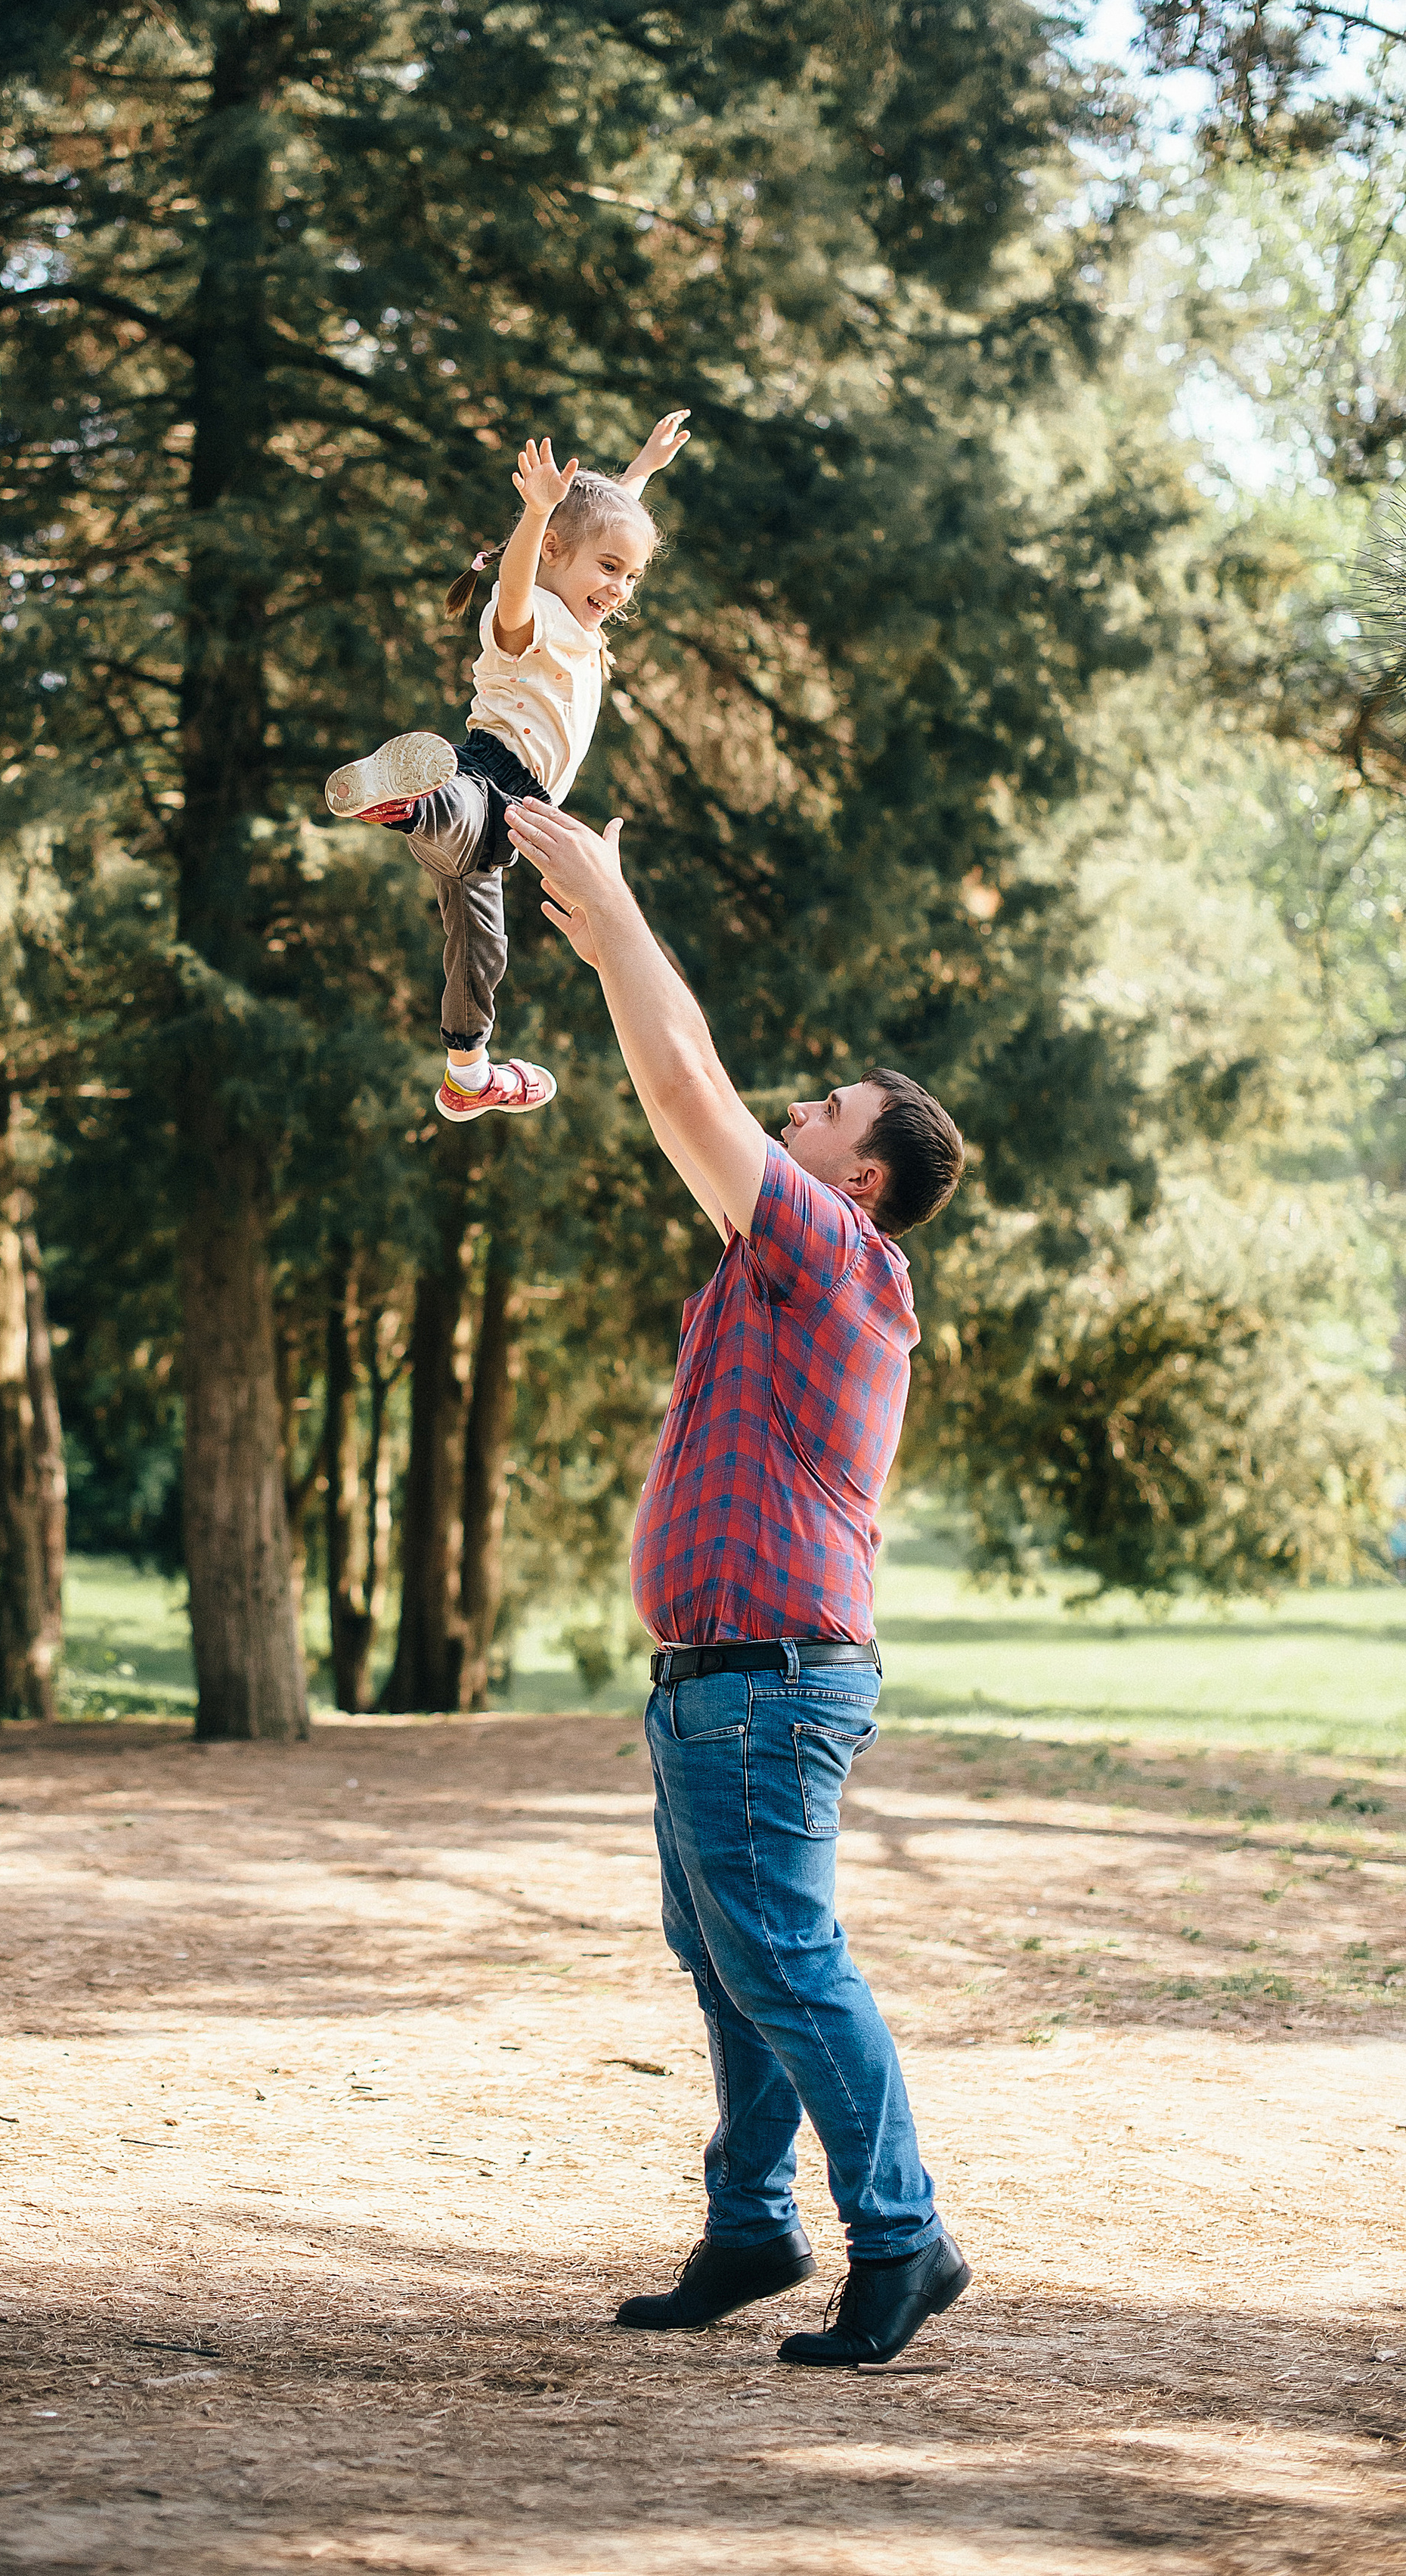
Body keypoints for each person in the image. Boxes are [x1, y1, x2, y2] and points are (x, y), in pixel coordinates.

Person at [506, 794, 971, 2370]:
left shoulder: (839, 1258)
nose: (799, 1106)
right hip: (717, 1683)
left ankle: (901, 2238)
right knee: (730, 1962)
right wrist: (611, 942)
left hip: (766, 1682)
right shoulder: (770, 1261)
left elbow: (686, 1085)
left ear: (860, 1179)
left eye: (828, 1107)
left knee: (783, 1959)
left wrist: (617, 913)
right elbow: (688, 1077)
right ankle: (752, 2224)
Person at [323, 411, 689, 1123]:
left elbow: (601, 525)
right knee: (458, 813)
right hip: (485, 780)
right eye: (608, 569)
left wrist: (642, 470)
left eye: (631, 576)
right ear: (551, 550)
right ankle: (407, 800)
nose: (620, 588)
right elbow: (522, 579)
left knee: (481, 953)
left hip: (509, 825)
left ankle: (468, 1076)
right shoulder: (531, 617)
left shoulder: (577, 618)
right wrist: (537, 512)